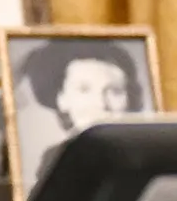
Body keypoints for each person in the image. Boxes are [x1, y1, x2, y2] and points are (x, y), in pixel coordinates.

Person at [14, 38, 145, 191]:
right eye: (84, 90)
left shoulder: (145, 155)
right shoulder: (56, 158)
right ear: (61, 98)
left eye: (115, 91)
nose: (101, 103)